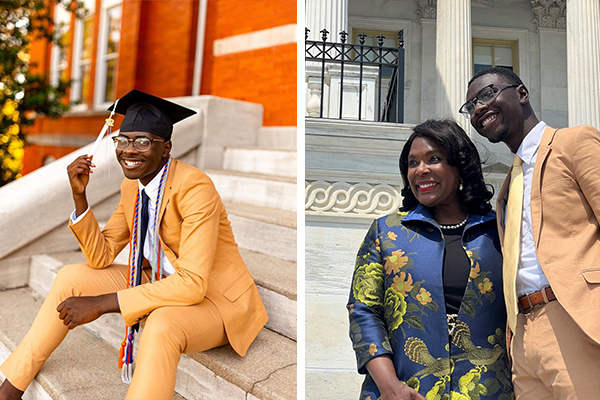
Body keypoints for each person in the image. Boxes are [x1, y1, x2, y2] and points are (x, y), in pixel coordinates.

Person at [0, 89, 268, 400]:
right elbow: (100, 256)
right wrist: (79, 197)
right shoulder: (132, 188)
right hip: (162, 282)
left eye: (142, 141)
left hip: (215, 300)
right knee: (71, 277)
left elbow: (193, 284)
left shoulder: (195, 187)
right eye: (123, 141)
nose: (130, 150)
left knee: (161, 324)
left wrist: (101, 303)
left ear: (165, 148)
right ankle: (11, 388)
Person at [348, 119, 513, 400]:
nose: (421, 170)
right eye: (412, 163)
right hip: (403, 389)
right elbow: (363, 311)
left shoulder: (499, 232)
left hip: (487, 390)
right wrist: (390, 387)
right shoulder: (387, 232)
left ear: (459, 166)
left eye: (433, 159)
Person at [463, 67, 600, 399]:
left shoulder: (573, 142)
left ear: (521, 93)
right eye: (470, 107)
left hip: (575, 318)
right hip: (523, 335)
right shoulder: (508, 187)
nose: (479, 109)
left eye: (487, 94)